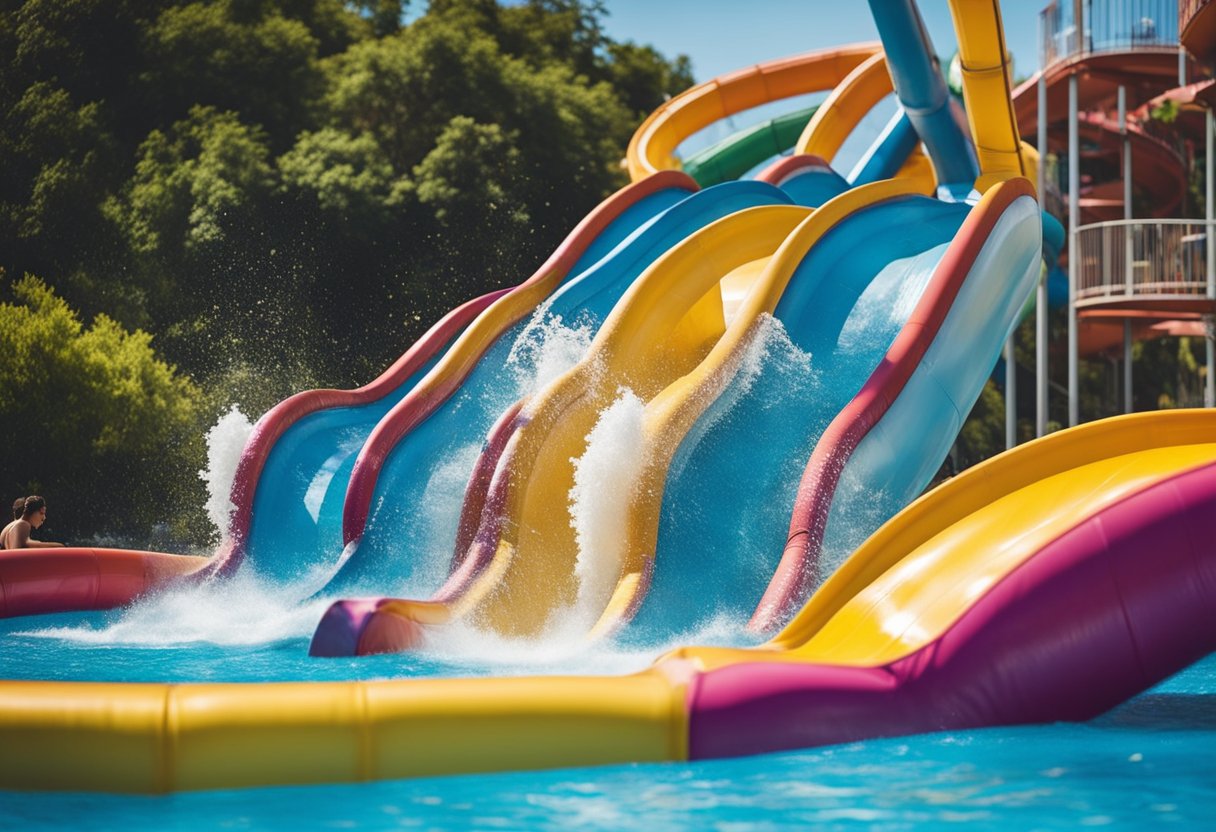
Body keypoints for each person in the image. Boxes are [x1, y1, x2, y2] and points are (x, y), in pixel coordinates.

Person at [0, 495, 64, 549]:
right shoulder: (23, 524)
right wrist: (59, 546)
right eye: (42, 513)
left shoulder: (8, 527)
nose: (44, 518)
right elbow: (23, 546)